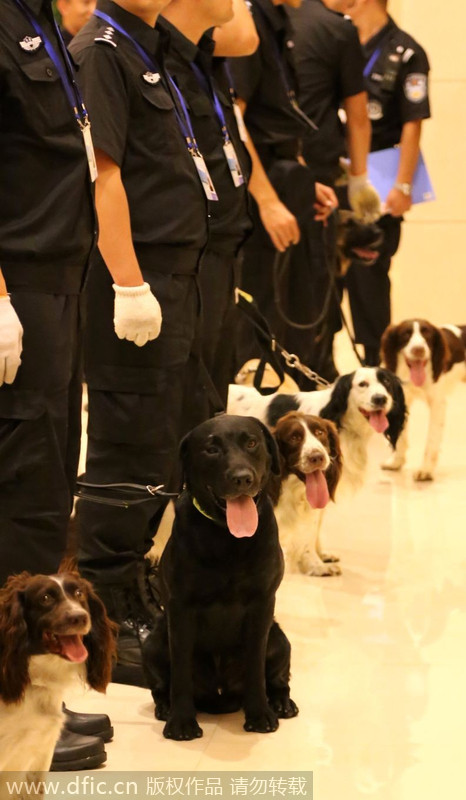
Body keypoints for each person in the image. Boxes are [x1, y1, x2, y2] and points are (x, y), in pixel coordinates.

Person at [70, 0, 210, 685]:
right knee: (127, 443)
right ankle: (108, 613)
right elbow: (104, 172)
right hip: (136, 276)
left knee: (157, 439)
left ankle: (135, 588)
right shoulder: (102, 48)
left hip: (172, 274)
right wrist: (127, 281)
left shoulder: (148, 45)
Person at [0, 0, 113, 771]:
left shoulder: (42, 19)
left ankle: (33, 700)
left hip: (60, 283)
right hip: (20, 286)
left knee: (44, 491)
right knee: (18, 490)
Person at [227, 0, 339, 379]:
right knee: (263, 313)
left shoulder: (279, 23)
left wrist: (308, 181)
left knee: (298, 312)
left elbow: (280, 119)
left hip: (287, 178)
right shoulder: (246, 22)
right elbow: (234, 119)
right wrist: (268, 200)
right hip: (261, 190)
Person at [159, 0, 256, 408]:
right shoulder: (144, 51)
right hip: (187, 250)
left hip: (223, 243)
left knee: (213, 395)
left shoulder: (202, 56)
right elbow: (246, 36)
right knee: (188, 401)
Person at [284, 0, 380, 383]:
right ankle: (313, 371)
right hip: (316, 186)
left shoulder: (254, 18)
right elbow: (357, 117)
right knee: (314, 290)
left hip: (264, 179)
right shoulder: (337, 29)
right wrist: (358, 181)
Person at [344, 0, 430, 365]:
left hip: (378, 179)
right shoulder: (338, 38)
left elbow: (413, 123)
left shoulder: (407, 51)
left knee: (369, 281)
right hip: (336, 175)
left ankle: (375, 367)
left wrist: (404, 186)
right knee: (322, 278)